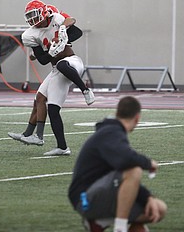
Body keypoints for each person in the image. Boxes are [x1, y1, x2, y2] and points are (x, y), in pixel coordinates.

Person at [8, 0, 94, 156]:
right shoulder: (30, 34)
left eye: (34, 15)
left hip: (71, 63)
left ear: (44, 12)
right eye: (30, 16)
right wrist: (50, 52)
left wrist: (63, 34)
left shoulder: (57, 19)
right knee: (40, 99)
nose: (32, 20)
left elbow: (74, 26)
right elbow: (42, 60)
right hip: (56, 69)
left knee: (61, 67)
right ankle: (34, 135)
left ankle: (86, 91)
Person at [68, 96, 167, 232]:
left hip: (100, 192)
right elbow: (126, 160)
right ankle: (120, 228)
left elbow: (123, 174)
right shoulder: (111, 132)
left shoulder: (111, 132)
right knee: (135, 170)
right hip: (84, 198)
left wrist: (148, 197)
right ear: (137, 118)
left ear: (117, 113)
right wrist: (148, 163)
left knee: (159, 209)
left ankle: (100, 222)